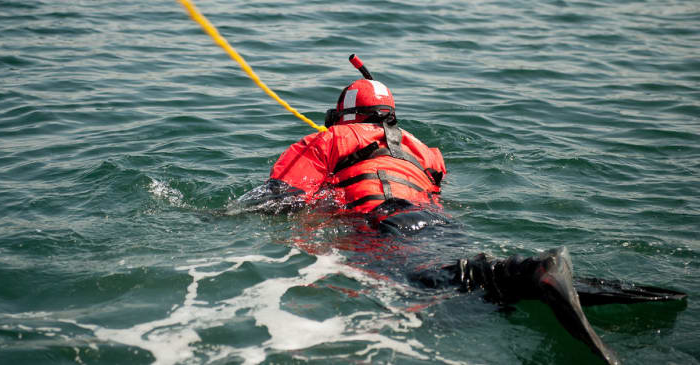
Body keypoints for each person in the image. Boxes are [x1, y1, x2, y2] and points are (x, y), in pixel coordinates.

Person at [236, 54, 686, 365]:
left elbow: (278, 199)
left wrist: (224, 217)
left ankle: (531, 271)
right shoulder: (425, 151)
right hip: (441, 224)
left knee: (426, 291)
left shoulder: (327, 139)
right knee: (460, 279)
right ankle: (528, 278)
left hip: (390, 226)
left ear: (344, 116)